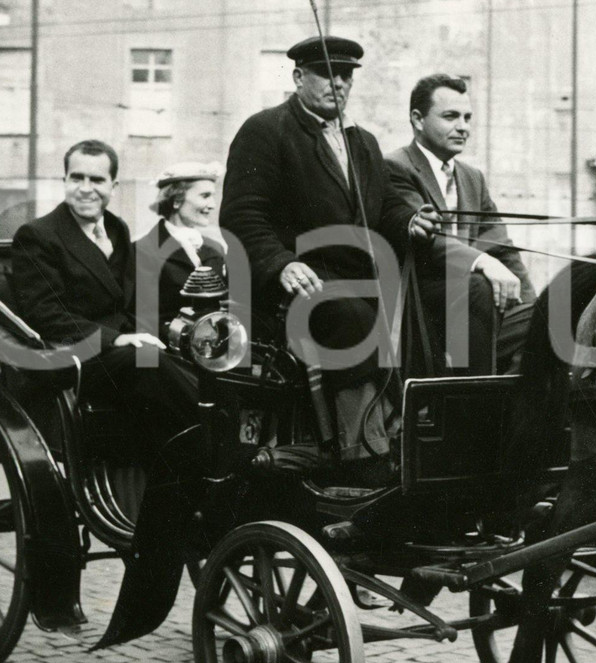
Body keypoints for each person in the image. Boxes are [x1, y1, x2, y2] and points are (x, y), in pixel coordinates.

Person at [220, 35, 437, 482]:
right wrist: (282, 263)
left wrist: (410, 221)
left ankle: (408, 436)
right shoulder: (266, 130)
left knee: (424, 313)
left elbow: (384, 205)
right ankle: (364, 453)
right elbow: (242, 216)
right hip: (289, 289)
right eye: (326, 74)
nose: (338, 83)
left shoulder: (362, 142)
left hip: (356, 283)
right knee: (350, 315)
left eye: (346, 76)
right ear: (299, 77)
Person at [11, 138, 197, 423]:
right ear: (65, 181)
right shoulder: (37, 235)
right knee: (148, 361)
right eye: (77, 178)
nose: (86, 189)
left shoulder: (116, 229)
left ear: (113, 186)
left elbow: (128, 301)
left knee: (202, 362)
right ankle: (215, 452)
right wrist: (117, 338)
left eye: (97, 179)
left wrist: (173, 331)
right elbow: (45, 314)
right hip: (73, 355)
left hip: (117, 350)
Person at [385, 74, 535, 374]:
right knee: (478, 287)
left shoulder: (472, 177)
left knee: (550, 317)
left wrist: (531, 304)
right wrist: (483, 262)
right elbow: (429, 238)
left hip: (472, 309)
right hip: (420, 310)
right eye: (450, 117)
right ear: (418, 119)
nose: (463, 127)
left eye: (467, 117)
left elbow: (502, 249)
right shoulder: (396, 167)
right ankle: (470, 410)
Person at [130, 163, 226, 336]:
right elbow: (142, 319)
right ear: (176, 201)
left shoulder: (215, 248)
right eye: (205, 196)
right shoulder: (141, 250)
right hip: (169, 351)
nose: (212, 205)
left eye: (213, 196)